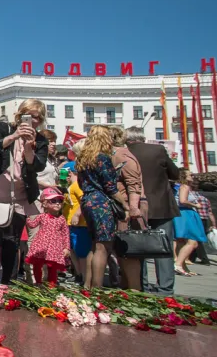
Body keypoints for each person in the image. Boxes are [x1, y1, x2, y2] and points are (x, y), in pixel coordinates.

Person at [0, 99, 49, 284]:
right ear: (20, 115)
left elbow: (38, 166)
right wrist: (15, 136)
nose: (34, 121)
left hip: (20, 197)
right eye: (30, 116)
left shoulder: (40, 140)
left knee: (12, 241)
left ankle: (8, 283)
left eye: (38, 118)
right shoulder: (4, 128)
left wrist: (28, 149)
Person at [125, 126, 180, 295]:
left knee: (138, 246)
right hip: (161, 206)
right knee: (164, 248)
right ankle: (165, 287)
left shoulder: (125, 152)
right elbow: (175, 173)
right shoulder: (158, 150)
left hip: (136, 206)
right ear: (142, 137)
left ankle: (142, 284)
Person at [77, 126, 129, 290]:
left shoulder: (83, 158)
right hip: (101, 202)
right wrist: (125, 205)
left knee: (94, 244)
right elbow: (111, 187)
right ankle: (97, 288)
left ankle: (88, 285)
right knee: (103, 246)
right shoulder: (102, 158)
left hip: (87, 200)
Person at [108, 126, 147, 290]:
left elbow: (134, 184)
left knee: (128, 253)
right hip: (122, 207)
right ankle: (127, 290)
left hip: (126, 210)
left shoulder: (122, 155)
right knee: (122, 253)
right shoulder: (117, 154)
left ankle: (134, 291)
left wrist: (132, 207)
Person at [24, 187, 70, 285]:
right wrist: (27, 217)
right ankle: (38, 283)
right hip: (41, 244)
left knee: (52, 267)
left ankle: (51, 286)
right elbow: (32, 225)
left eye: (60, 201)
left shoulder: (61, 219)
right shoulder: (42, 216)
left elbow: (65, 234)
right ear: (45, 204)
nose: (58, 203)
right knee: (37, 264)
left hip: (54, 246)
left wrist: (66, 248)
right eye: (53, 201)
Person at [171, 169, 208, 276]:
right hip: (186, 215)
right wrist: (196, 205)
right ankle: (178, 265)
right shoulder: (185, 187)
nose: (192, 176)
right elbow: (183, 201)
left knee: (181, 241)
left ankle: (183, 267)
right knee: (193, 242)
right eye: (190, 174)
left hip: (181, 214)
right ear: (184, 176)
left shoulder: (178, 187)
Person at [63, 139, 88, 283]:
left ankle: (84, 276)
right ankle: (78, 274)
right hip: (71, 223)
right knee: (73, 251)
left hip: (80, 224)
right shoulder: (70, 187)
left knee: (81, 252)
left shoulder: (77, 185)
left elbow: (84, 199)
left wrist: (78, 214)